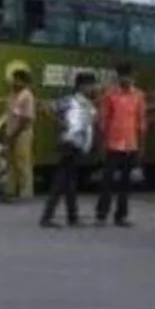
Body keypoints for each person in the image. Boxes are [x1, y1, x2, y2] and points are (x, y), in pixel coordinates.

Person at [40, 73, 97, 228]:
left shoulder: (88, 104)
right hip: (69, 145)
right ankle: (48, 216)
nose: (93, 88)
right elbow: (46, 107)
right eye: (90, 85)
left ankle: (72, 216)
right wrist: (61, 123)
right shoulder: (70, 101)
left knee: (70, 183)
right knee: (61, 182)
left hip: (77, 147)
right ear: (81, 86)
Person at [96, 63, 147, 227]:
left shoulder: (139, 96)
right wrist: (101, 144)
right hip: (112, 144)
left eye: (129, 76)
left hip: (131, 145)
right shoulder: (110, 95)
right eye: (122, 75)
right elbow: (103, 121)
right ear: (118, 77)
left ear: (133, 77)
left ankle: (121, 216)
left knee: (126, 183)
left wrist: (141, 148)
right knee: (107, 181)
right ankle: (101, 215)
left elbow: (141, 124)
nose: (126, 79)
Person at [2, 69, 36, 201]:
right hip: (11, 131)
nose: (15, 82)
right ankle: (10, 190)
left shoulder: (27, 96)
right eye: (14, 79)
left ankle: (25, 192)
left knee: (22, 162)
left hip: (22, 133)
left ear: (24, 82)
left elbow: (26, 119)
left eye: (18, 80)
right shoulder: (12, 94)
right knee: (11, 163)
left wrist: (14, 134)